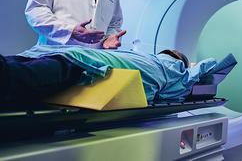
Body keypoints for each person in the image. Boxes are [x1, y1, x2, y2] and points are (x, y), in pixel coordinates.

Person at [0, 45, 219, 105]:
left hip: (69, 52)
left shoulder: (143, 56)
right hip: (81, 64)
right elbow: (209, 66)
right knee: (20, 77)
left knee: (18, 66)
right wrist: (192, 65)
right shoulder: (176, 70)